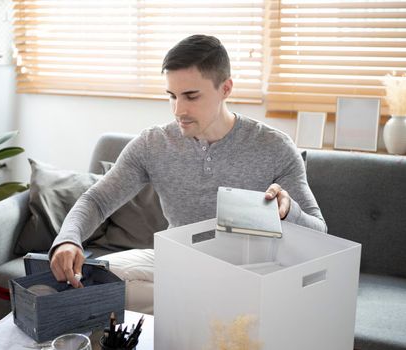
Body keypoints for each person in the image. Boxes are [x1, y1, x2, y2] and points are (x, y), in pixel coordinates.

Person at [49, 34, 327, 313]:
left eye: (191, 96)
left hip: (244, 275)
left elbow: (320, 233)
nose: (178, 110)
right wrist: (69, 239)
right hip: (176, 262)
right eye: (172, 96)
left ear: (225, 88)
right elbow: (97, 201)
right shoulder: (153, 144)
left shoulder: (273, 147)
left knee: (213, 304)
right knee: (83, 282)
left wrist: (289, 213)